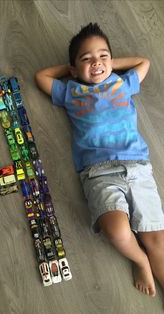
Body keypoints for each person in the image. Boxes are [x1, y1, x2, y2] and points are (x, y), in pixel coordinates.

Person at [35, 23, 164, 297]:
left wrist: (108, 64)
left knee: (157, 242)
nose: (97, 62)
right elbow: (42, 76)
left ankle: (149, 257)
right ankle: (139, 260)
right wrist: (73, 70)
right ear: (73, 69)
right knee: (116, 230)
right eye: (87, 58)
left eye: (103, 56)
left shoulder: (122, 83)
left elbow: (144, 62)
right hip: (99, 172)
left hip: (138, 167)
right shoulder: (72, 92)